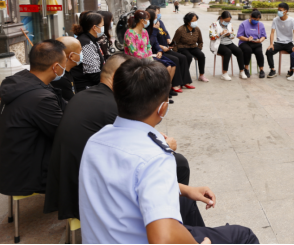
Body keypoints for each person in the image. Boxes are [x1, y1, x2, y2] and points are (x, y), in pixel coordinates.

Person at [79, 58, 259, 244]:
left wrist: (186, 190)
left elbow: (128, 183)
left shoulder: (95, 140)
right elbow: (162, 238)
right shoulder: (154, 156)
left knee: (187, 203)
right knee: (244, 236)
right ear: (163, 108)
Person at [44, 54, 194, 222]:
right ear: (118, 77)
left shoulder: (83, 96)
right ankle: (168, 216)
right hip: (89, 192)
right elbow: (135, 149)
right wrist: (164, 147)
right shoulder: (113, 106)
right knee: (178, 162)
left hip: (70, 184)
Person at [0, 40, 66, 197]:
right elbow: (64, 132)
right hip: (24, 176)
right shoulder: (40, 98)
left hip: (7, 168)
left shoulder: (23, 80)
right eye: (65, 63)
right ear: (56, 67)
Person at [125, 10, 176, 103]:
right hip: (135, 62)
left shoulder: (144, 31)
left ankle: (161, 97)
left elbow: (148, 46)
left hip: (147, 60)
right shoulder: (130, 33)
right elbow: (133, 52)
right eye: (148, 20)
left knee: (162, 70)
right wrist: (148, 61)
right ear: (142, 20)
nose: (149, 22)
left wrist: (150, 59)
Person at [147, 9, 191, 95]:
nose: (158, 17)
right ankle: (172, 85)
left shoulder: (159, 23)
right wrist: (161, 48)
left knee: (183, 57)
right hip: (154, 52)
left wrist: (167, 42)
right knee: (174, 60)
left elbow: (164, 33)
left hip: (162, 49)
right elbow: (150, 43)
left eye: (158, 13)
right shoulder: (149, 29)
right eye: (156, 15)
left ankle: (184, 82)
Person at [71, 11, 105, 92]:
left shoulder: (90, 39)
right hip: (87, 88)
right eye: (102, 25)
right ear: (94, 27)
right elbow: (94, 74)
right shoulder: (86, 43)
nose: (103, 27)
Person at [209, 11, 247, 81]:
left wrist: (229, 34)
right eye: (226, 21)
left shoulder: (230, 24)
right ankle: (224, 73)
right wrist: (220, 34)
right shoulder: (214, 24)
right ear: (221, 18)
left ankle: (242, 71)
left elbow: (233, 36)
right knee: (228, 52)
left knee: (239, 51)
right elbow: (211, 37)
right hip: (218, 44)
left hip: (228, 43)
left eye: (229, 21)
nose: (227, 22)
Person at [172, 12, 209, 82]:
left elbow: (200, 41)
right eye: (193, 21)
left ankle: (201, 75)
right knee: (188, 57)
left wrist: (199, 49)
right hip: (182, 47)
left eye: (196, 20)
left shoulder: (197, 29)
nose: (195, 22)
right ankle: (185, 75)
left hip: (193, 47)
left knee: (201, 55)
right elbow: (174, 42)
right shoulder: (180, 30)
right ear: (188, 22)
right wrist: (176, 53)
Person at [266, 3, 294, 78]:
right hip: (278, 43)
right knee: (268, 51)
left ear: (285, 11)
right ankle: (272, 70)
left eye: (280, 10)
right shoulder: (275, 20)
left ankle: (291, 70)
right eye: (278, 10)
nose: (279, 12)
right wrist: (271, 44)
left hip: (289, 43)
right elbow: (272, 33)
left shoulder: (292, 20)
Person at [50, 36, 82, 102]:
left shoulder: (68, 72)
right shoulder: (60, 79)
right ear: (71, 56)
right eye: (80, 51)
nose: (82, 54)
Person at [237, 10, 267, 79]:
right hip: (245, 42)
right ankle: (246, 69)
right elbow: (239, 35)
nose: (256, 21)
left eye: (257, 20)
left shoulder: (261, 24)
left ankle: (261, 70)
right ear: (250, 17)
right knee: (248, 50)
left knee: (259, 52)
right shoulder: (243, 24)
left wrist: (260, 40)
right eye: (254, 19)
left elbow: (263, 36)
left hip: (256, 43)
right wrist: (247, 39)